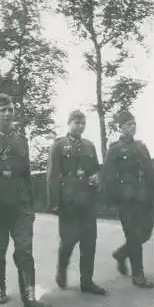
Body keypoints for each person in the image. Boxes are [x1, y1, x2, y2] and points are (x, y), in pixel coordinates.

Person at [0, 93, 51, 307]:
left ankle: (30, 300)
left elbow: (27, 174)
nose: (7, 113)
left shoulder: (21, 140)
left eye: (10, 109)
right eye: (2, 110)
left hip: (20, 205)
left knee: (24, 250)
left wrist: (31, 205)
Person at [47, 110, 106, 295]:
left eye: (83, 123)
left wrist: (96, 179)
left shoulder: (89, 146)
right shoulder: (59, 146)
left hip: (87, 200)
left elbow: (96, 169)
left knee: (89, 242)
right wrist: (54, 203)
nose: (80, 126)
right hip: (68, 201)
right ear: (69, 123)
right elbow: (52, 175)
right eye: (77, 122)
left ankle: (86, 282)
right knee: (68, 241)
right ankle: (61, 269)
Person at [102, 110, 154, 288]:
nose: (131, 127)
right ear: (120, 128)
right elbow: (109, 176)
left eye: (133, 124)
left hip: (144, 198)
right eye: (127, 125)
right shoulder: (115, 149)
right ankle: (138, 275)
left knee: (146, 232)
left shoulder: (141, 146)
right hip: (127, 200)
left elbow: (150, 171)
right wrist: (112, 201)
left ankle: (121, 254)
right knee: (134, 236)